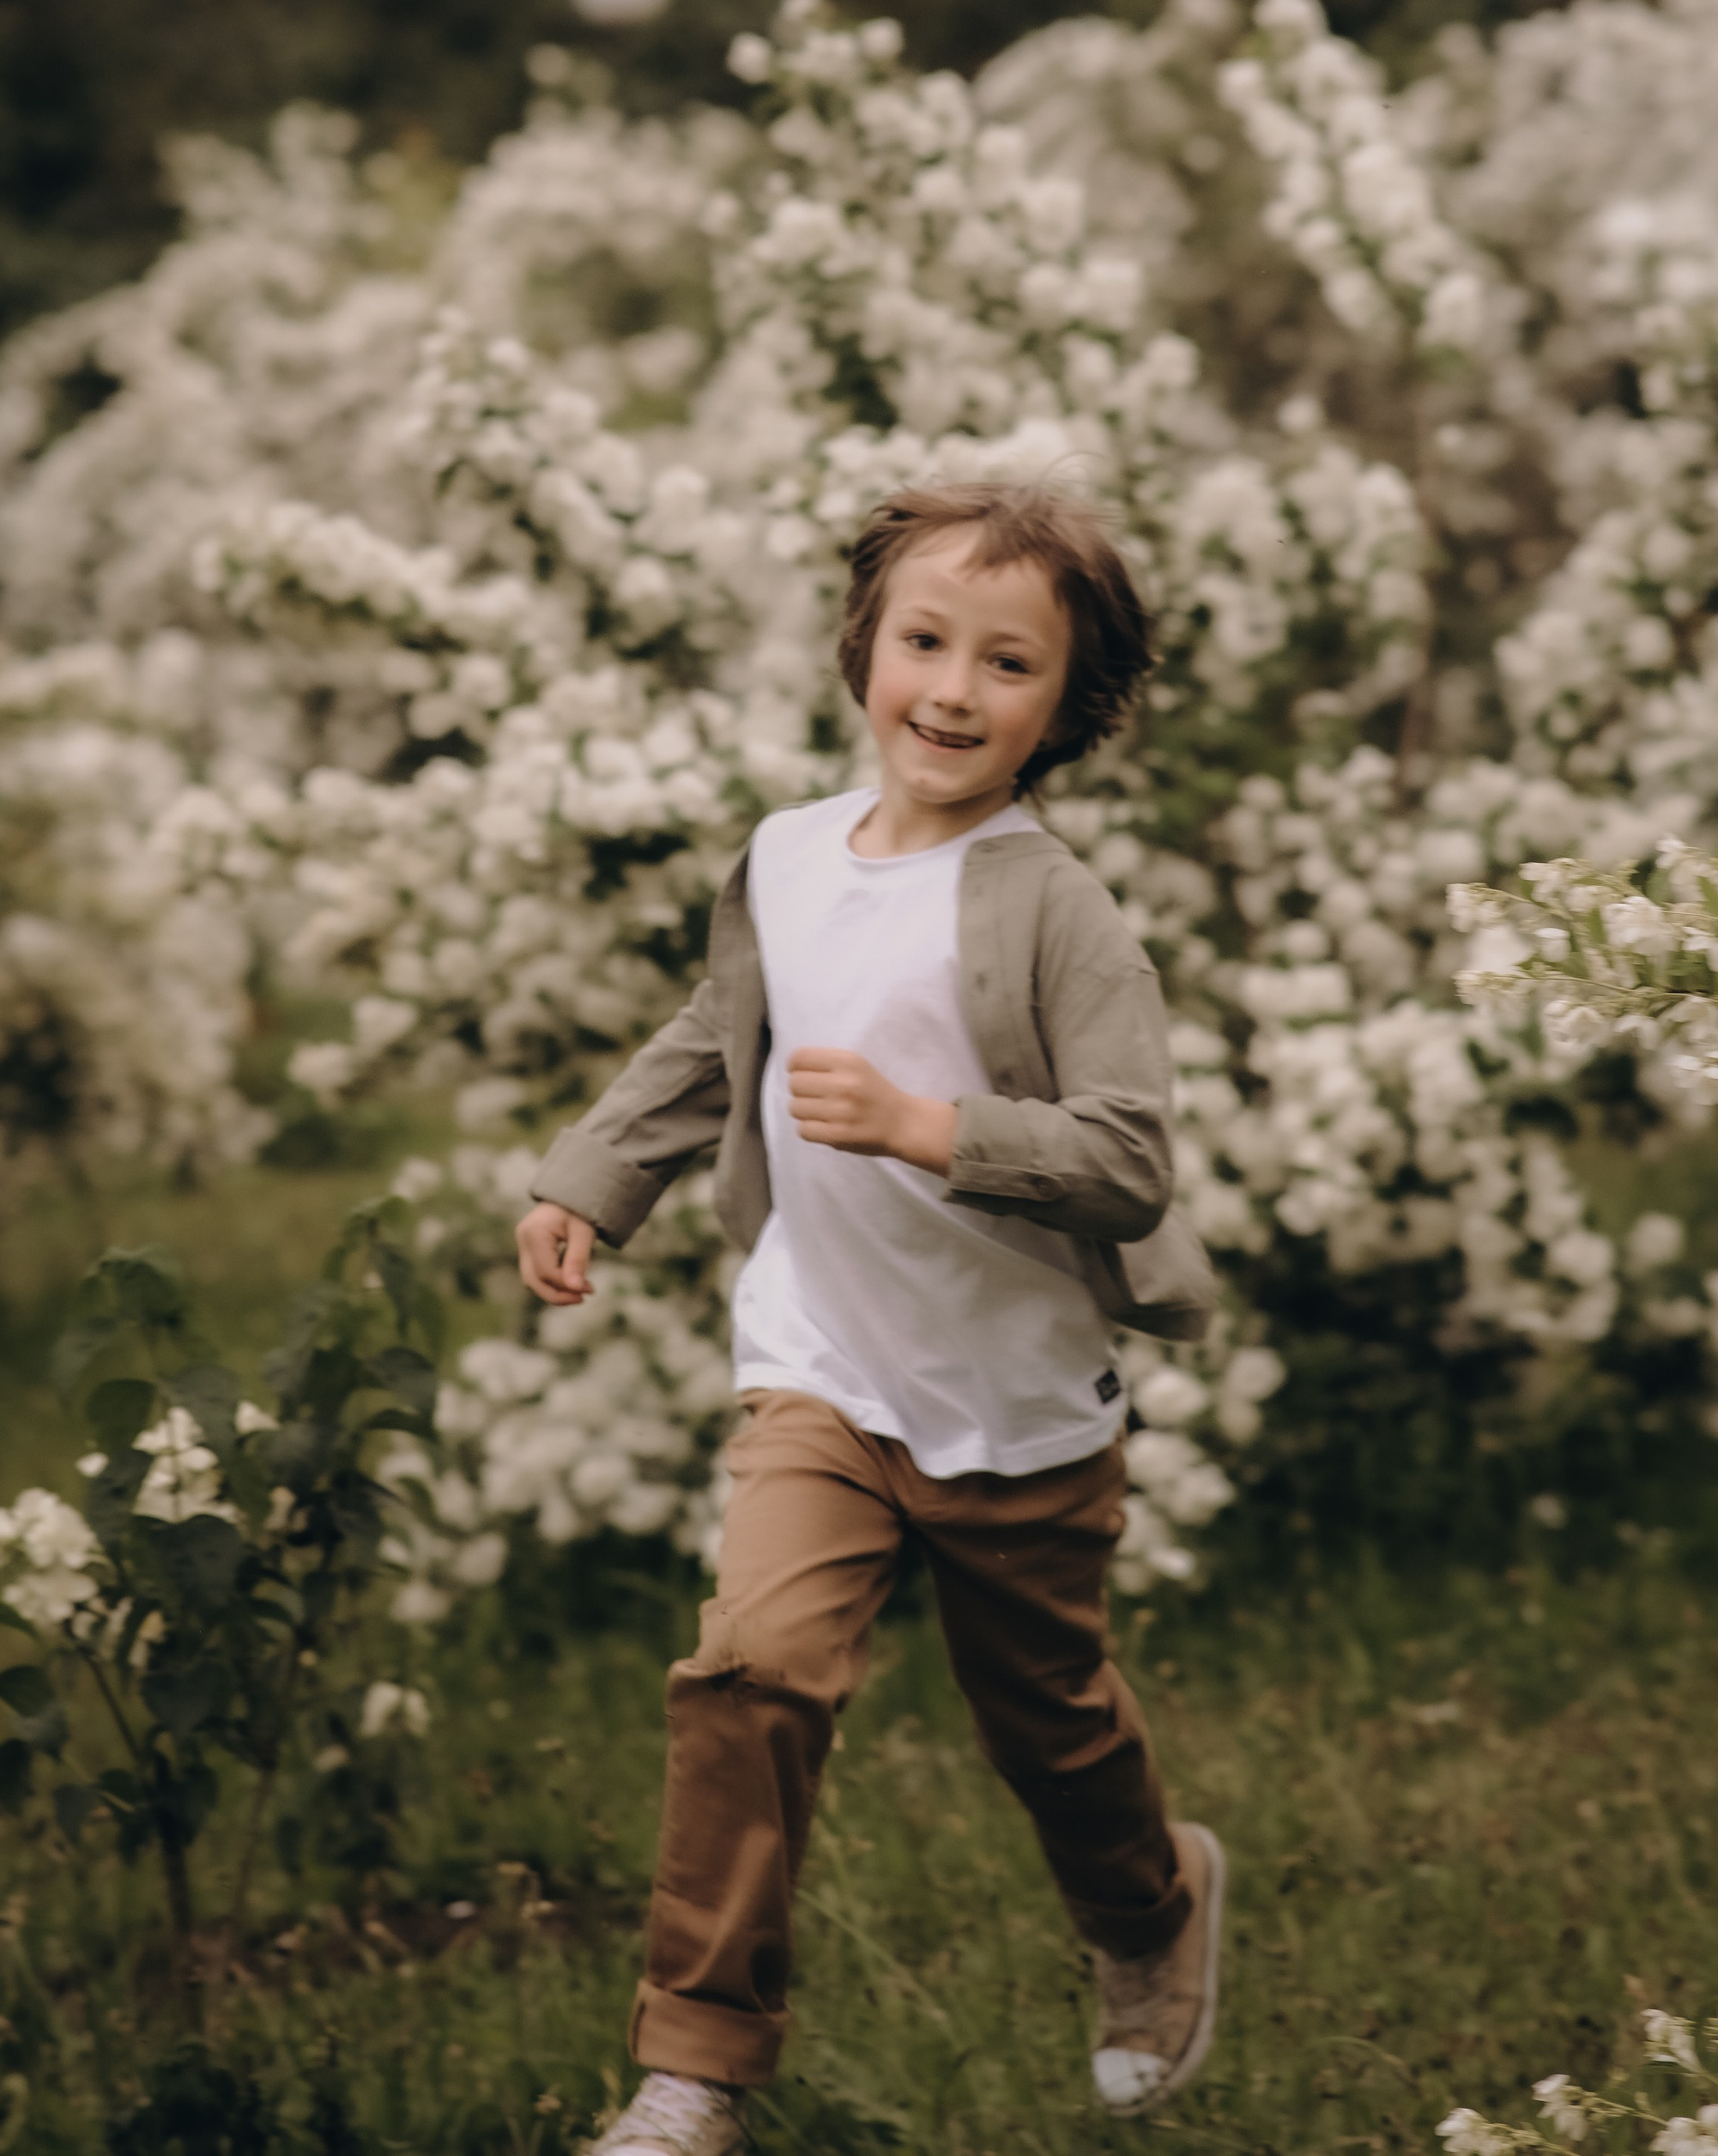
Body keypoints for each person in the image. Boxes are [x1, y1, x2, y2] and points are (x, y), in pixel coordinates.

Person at [516, 478, 1225, 2155]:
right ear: (862, 648)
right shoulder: (780, 858)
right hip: (821, 1369)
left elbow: (1128, 1159)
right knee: (750, 1665)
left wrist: (929, 1127)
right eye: (923, 642)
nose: (952, 692)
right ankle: (695, 2063)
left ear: (1065, 706)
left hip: (1016, 1400)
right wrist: (588, 1180)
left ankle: (1146, 1910)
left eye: (1006, 663)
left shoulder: (1055, 909)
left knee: (1046, 1730)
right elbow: (714, 1038)